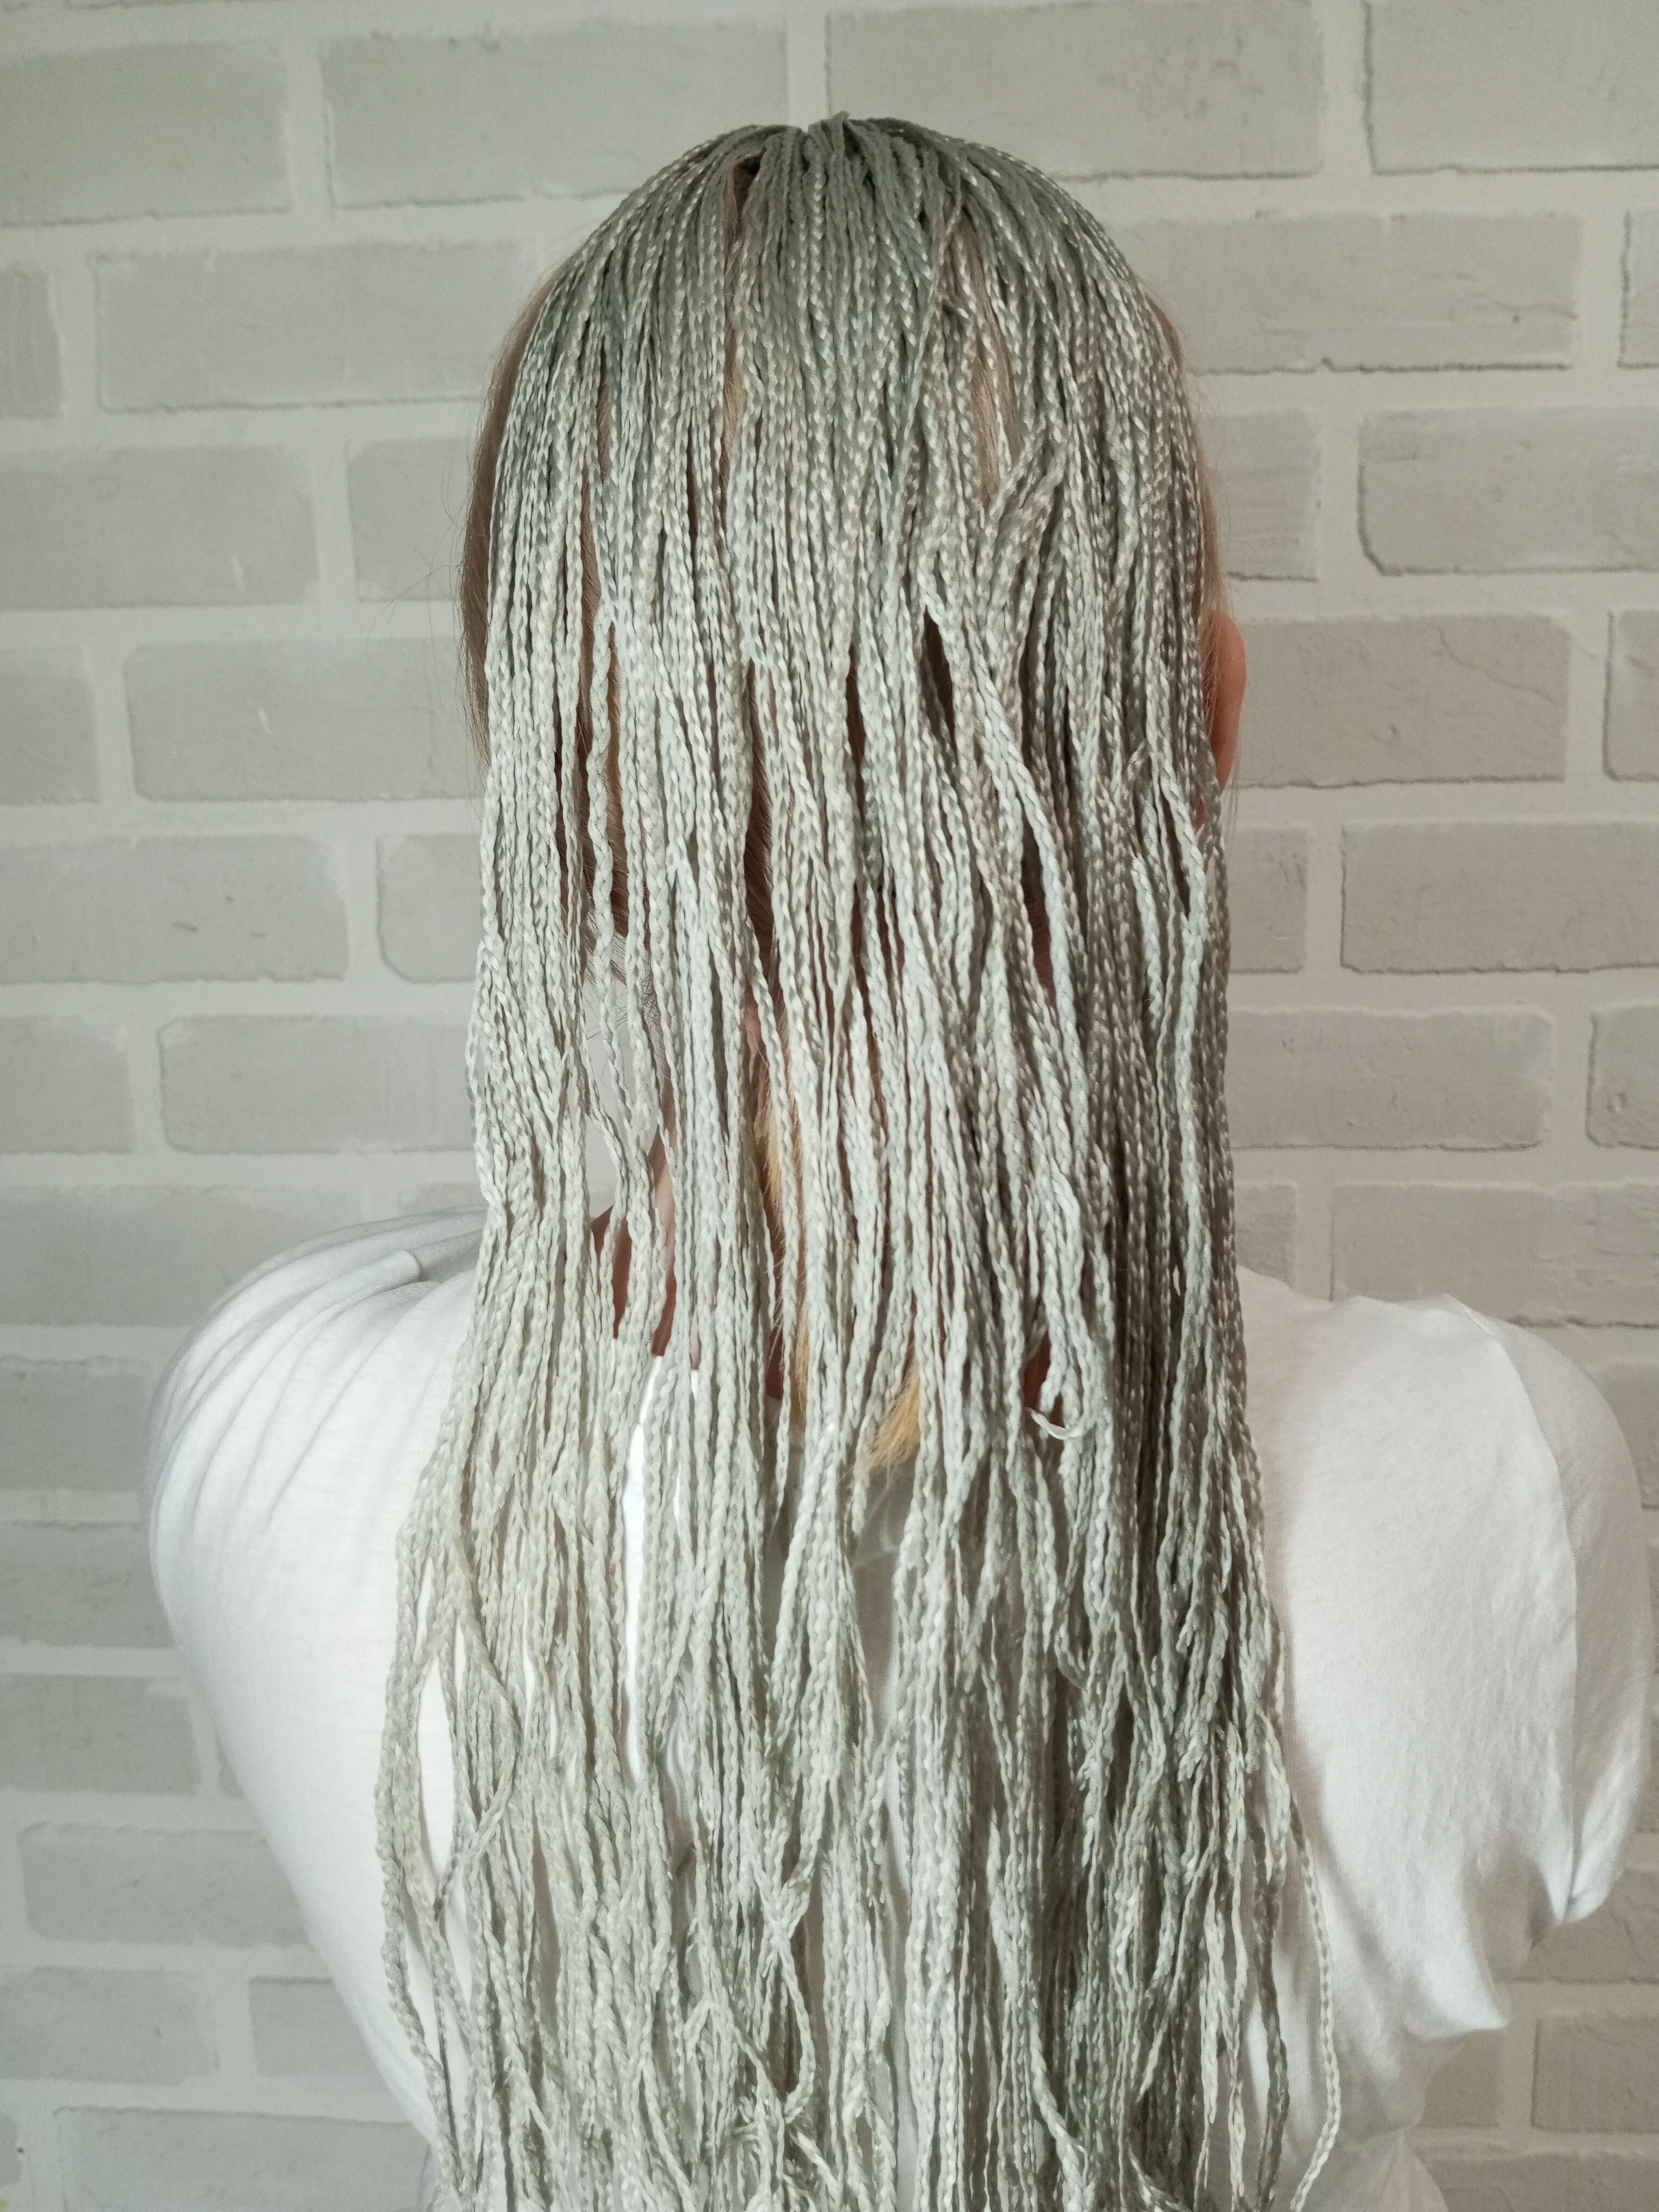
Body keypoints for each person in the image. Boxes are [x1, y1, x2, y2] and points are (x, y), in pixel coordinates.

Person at [144, 118, 1651, 2212]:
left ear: (538, 764)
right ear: (1203, 724)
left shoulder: (266, 1440)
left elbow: (503, 1252)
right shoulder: (1487, 1486)